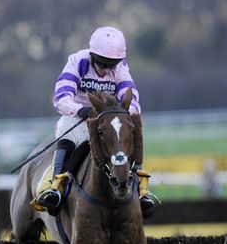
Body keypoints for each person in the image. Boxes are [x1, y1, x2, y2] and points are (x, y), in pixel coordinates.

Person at [33, 26, 161, 217]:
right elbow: (60, 98)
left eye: (111, 64)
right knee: (65, 131)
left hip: (106, 119)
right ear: (93, 56)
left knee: (132, 127)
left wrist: (122, 113)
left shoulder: (121, 67)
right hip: (77, 117)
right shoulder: (77, 61)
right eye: (102, 63)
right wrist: (80, 109)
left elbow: (132, 98)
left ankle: (141, 189)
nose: (105, 70)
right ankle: (56, 188)